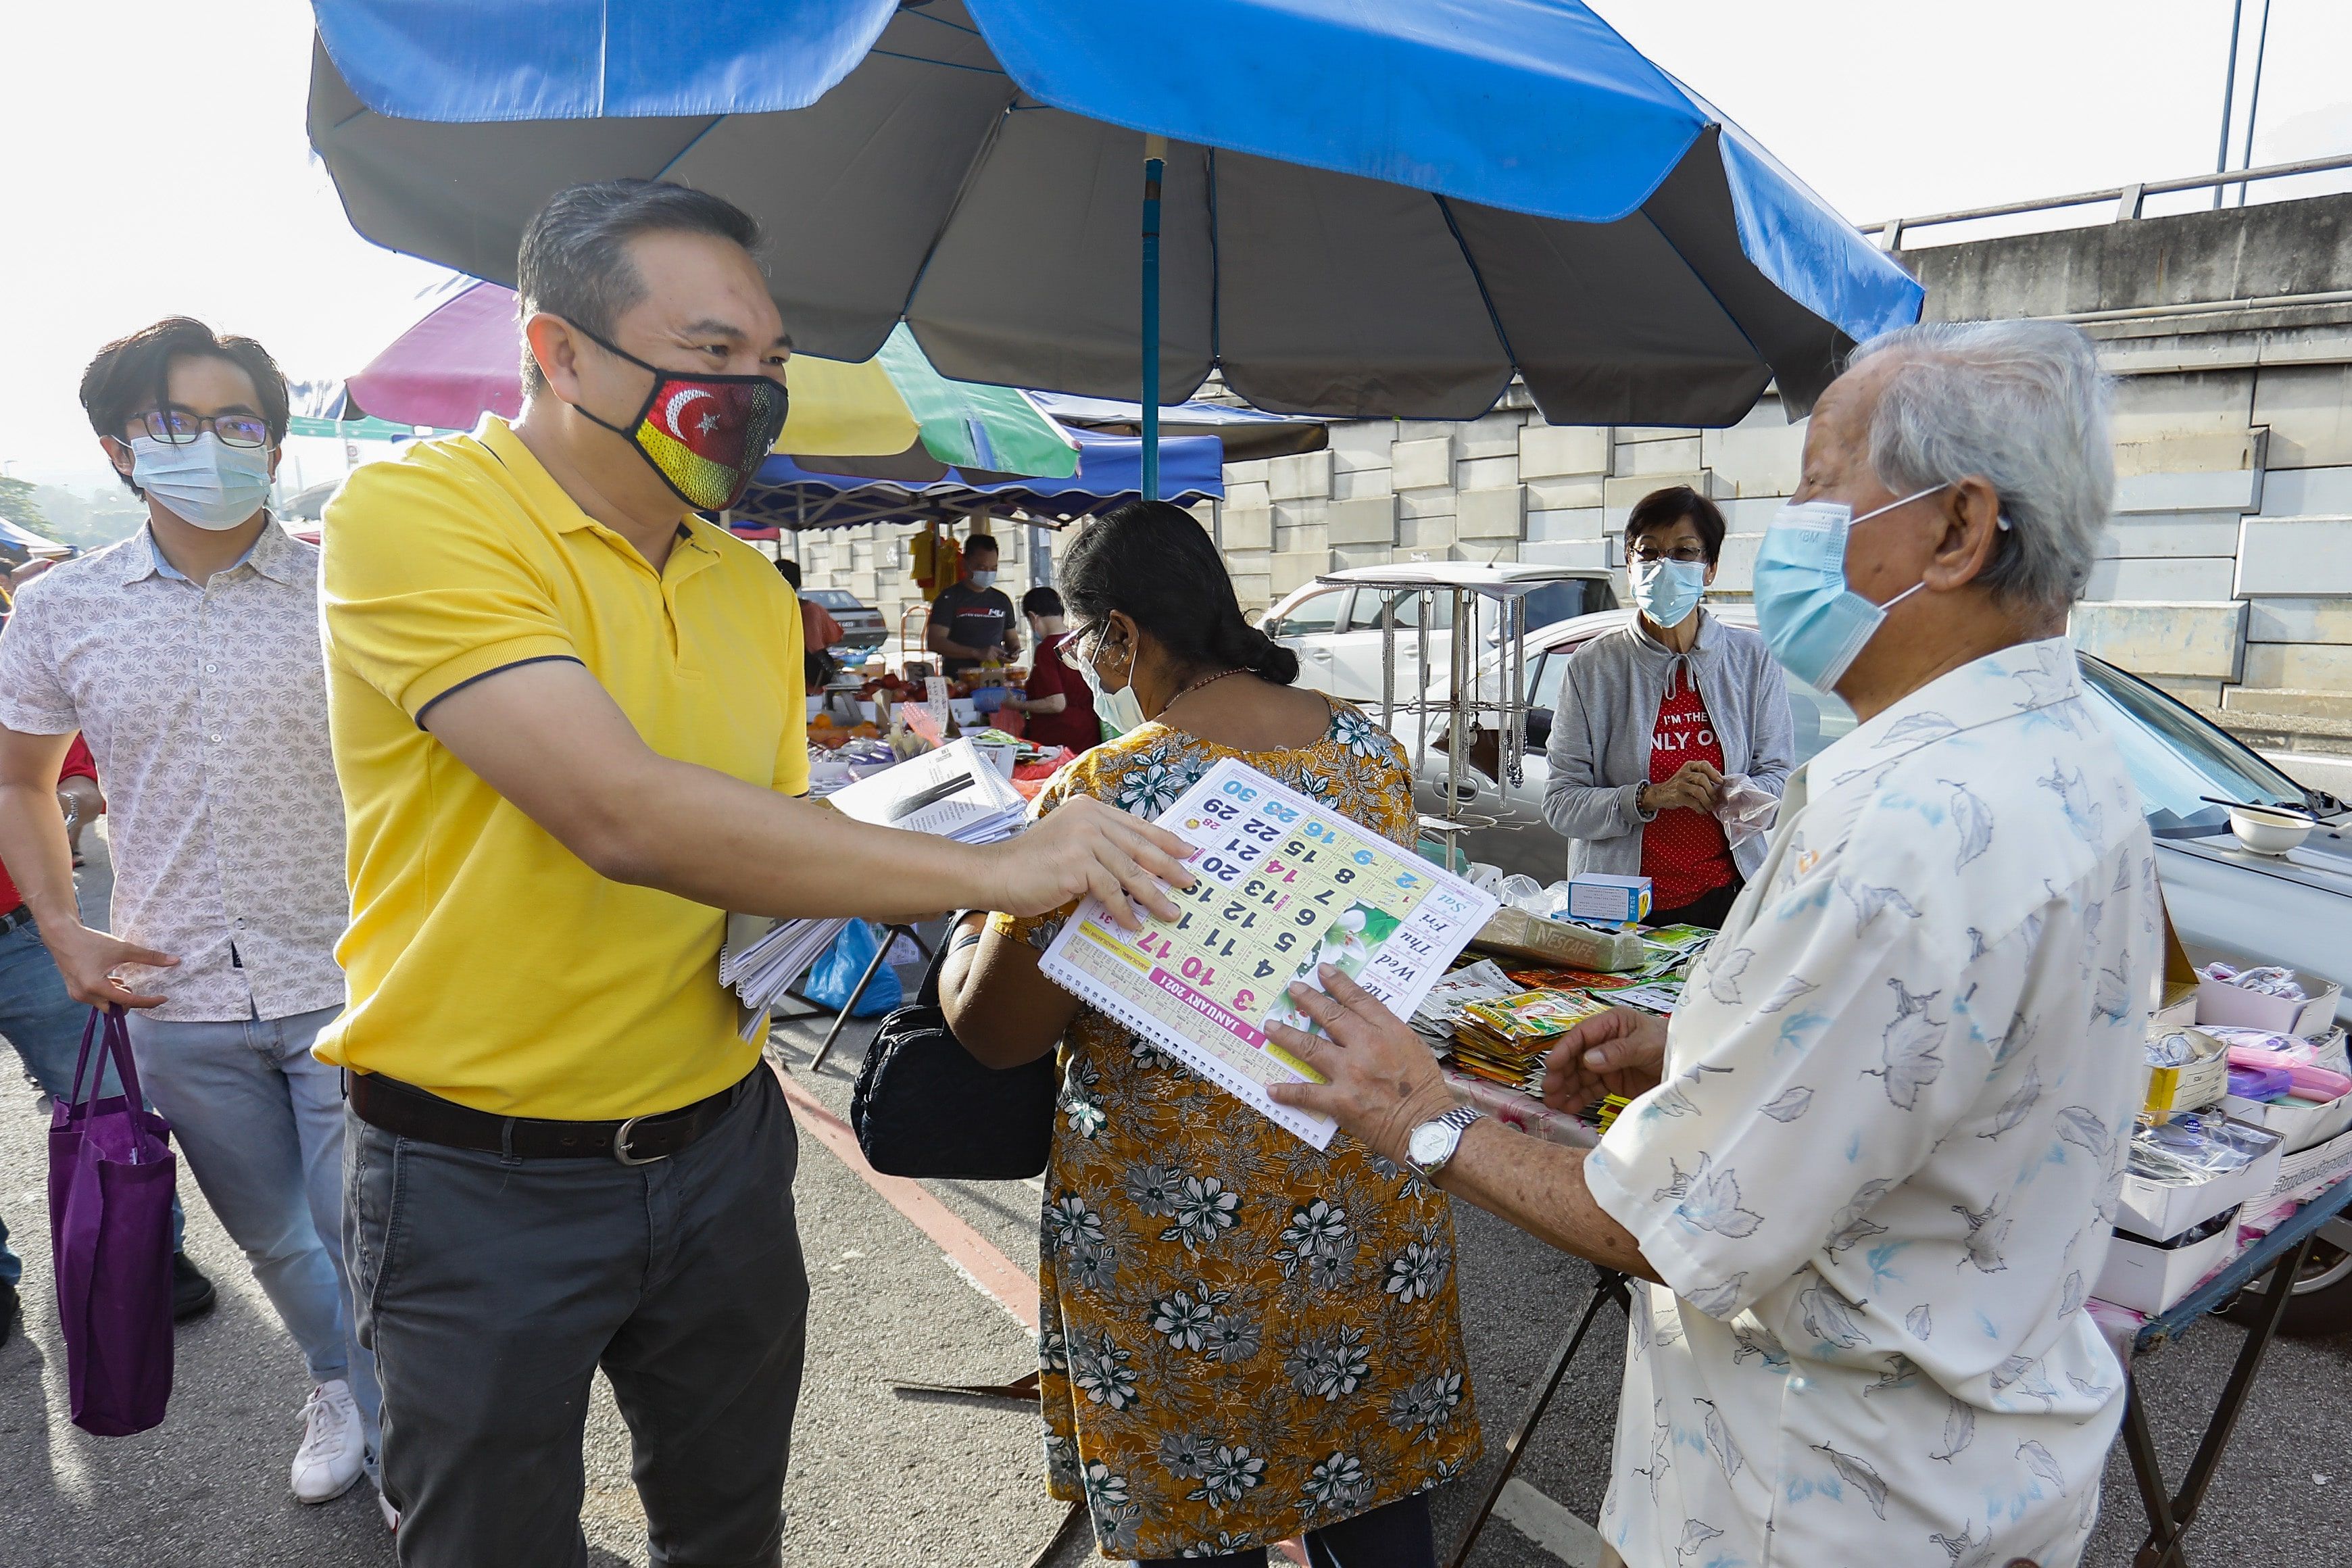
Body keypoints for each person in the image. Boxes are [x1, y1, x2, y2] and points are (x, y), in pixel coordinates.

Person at [318, 179, 1189, 1568]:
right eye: (714, 353)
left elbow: (756, 841)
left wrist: (946, 834)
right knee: (489, 1541)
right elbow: (621, 812)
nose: (756, 390)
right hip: (480, 1171)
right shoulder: (419, 517)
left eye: (772, 360)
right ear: (560, 353)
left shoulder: (742, 587)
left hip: (720, 1140)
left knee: (729, 1530)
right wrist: (1005, 865)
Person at [1265, 321, 2154, 1568]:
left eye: (1819, 484)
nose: (1789, 523)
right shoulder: (2063, 760)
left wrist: (1423, 1112)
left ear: (1957, 530)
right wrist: (1705, 1041)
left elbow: (1674, 1222)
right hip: (1967, 1474)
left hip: (1830, 1499)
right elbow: (1919, 1056)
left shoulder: (1906, 827)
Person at [939, 500, 1480, 1567]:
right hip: (1360, 1188)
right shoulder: (1368, 750)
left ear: (1125, 635)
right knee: (1368, 1487)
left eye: (1090, 642)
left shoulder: (1111, 787)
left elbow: (995, 1032)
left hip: (1179, 1231)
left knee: (1199, 1510)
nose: (1090, 664)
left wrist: (971, 917)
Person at [0, 318, 381, 1515]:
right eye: (174, 423)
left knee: (363, 1231)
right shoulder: (64, 609)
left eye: (237, 423)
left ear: (271, 446)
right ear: (120, 448)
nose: (209, 446)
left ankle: (409, 1430)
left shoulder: (349, 587)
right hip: (174, 994)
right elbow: (20, 776)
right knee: (273, 1239)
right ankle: (335, 1386)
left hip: (348, 973)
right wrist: (63, 927)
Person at [0, 734, 214, 1350]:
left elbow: (55, 766)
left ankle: (148, 1253)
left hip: (19, 932)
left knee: (109, 1104)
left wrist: (73, 791)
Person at [1543, 487, 1792, 929]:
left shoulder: (1752, 658)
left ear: (1710, 569)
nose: (1664, 567)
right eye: (1649, 553)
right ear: (1629, 564)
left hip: (1731, 899)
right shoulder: (1594, 668)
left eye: (1684, 552)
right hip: (1620, 909)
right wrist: (1649, 796)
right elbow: (1562, 804)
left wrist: (1735, 794)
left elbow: (1778, 780)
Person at [1000, 585, 1100, 754]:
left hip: (1058, 741)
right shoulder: (1080, 642)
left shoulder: (1047, 650)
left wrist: (1016, 704)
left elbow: (1056, 704)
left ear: (1033, 617)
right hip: (1088, 734)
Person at [925, 531, 1019, 675]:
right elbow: (935, 642)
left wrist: (1014, 651)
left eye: (994, 568)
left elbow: (1012, 638)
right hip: (958, 684)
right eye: (982, 568)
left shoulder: (1002, 600)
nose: (988, 573)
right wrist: (975, 653)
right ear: (964, 564)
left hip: (994, 680)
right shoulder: (949, 598)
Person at [776, 557, 843, 687]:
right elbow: (835, 636)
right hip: (809, 683)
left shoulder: (767, 610)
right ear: (799, 583)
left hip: (783, 680)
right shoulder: (812, 610)